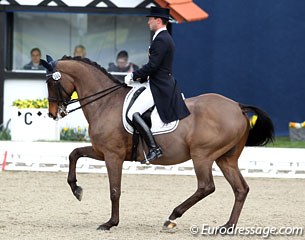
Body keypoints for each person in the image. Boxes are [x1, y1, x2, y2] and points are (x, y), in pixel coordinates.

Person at [125, 7, 190, 164]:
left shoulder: (161, 39)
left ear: (158, 20)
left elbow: (153, 66)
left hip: (159, 85)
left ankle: (154, 148)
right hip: (156, 81)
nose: (148, 22)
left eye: (150, 19)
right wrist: (140, 79)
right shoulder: (161, 37)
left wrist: (134, 75)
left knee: (132, 113)